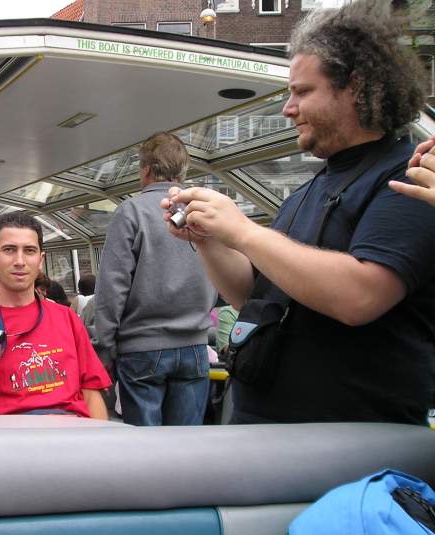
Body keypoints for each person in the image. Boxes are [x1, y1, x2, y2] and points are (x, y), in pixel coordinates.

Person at [163, 0, 435, 425]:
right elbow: (252, 295)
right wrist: (210, 238)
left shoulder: (409, 179)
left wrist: (245, 233)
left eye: (303, 92)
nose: (288, 108)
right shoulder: (309, 190)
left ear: (356, 88)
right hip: (273, 433)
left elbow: (360, 296)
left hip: (350, 441)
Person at [95, 131, 217, 426]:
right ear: (182, 171)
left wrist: (104, 349)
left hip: (142, 348)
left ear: (146, 169)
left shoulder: (131, 212)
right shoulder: (203, 211)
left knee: (146, 447)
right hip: (196, 347)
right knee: (187, 445)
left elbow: (112, 287)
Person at [0, 212, 111, 418]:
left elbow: (91, 392)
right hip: (7, 436)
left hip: (71, 431)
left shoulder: (68, 319)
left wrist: (100, 436)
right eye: (9, 250)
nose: (19, 261)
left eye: (29, 251)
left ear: (40, 260)